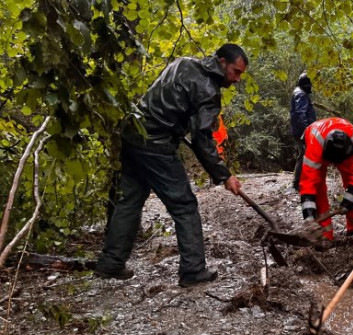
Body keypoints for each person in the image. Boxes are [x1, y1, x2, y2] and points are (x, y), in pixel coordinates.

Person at [94, 44, 248, 287]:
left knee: (130, 200)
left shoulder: (183, 62)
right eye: (235, 72)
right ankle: (193, 271)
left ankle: (110, 264)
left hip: (132, 133)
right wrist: (224, 175)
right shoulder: (208, 91)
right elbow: (202, 139)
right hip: (156, 145)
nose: (237, 79)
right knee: (185, 205)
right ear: (220, 62)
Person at [299, 117, 353, 240]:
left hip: (346, 151)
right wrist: (309, 216)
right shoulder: (315, 147)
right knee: (317, 189)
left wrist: (348, 202)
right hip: (317, 145)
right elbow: (308, 183)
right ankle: (323, 235)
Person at [290, 72, 317, 191]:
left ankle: (300, 182)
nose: (310, 86)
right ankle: (297, 183)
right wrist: (308, 130)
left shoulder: (299, 92)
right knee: (304, 155)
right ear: (306, 84)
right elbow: (301, 114)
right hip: (302, 131)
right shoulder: (300, 94)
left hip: (299, 130)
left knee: (304, 154)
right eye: (309, 84)